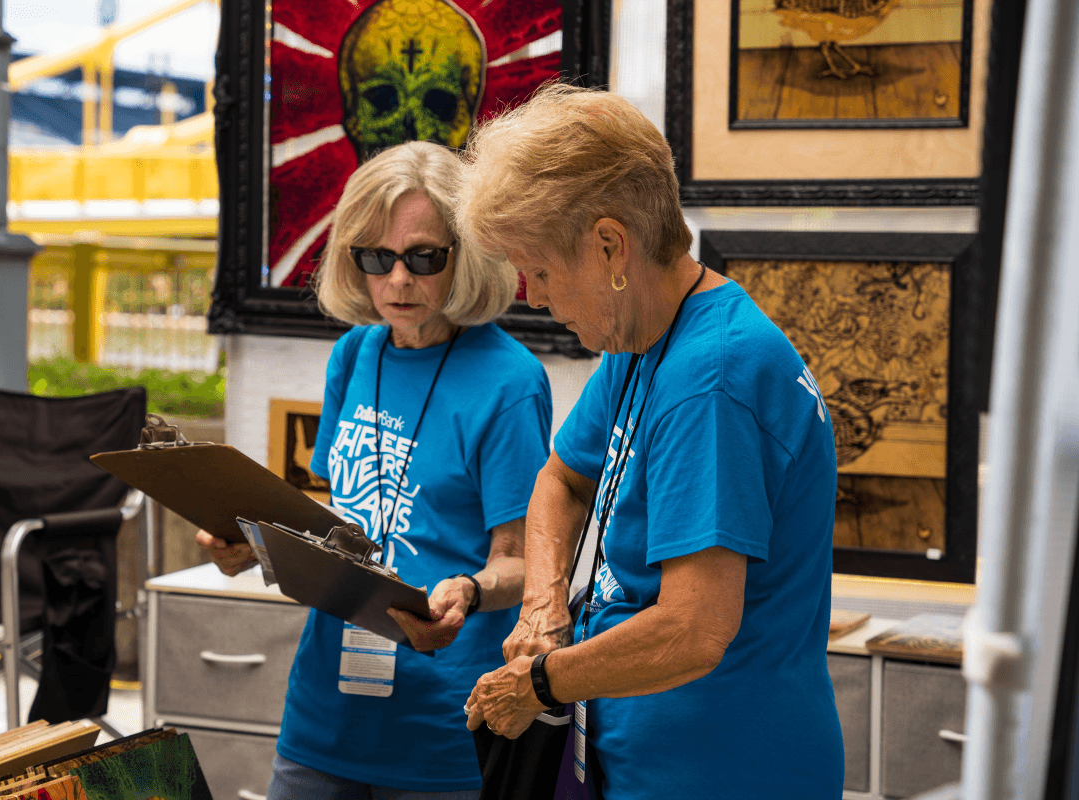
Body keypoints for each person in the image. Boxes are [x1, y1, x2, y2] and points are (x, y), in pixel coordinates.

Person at [457, 85, 844, 799]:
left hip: (721, 772)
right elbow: (561, 480)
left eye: (539, 270)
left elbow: (694, 629)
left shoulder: (710, 380)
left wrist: (538, 682)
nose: (533, 296)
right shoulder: (644, 340)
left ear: (609, 245)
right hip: (647, 761)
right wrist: (544, 605)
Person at [196, 140, 553, 799]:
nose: (397, 281)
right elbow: (342, 525)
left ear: (466, 253)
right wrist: (255, 546)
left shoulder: (510, 383)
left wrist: (468, 591)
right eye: (375, 258)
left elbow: (527, 562)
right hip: (325, 711)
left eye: (423, 258)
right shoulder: (354, 355)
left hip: (443, 723)